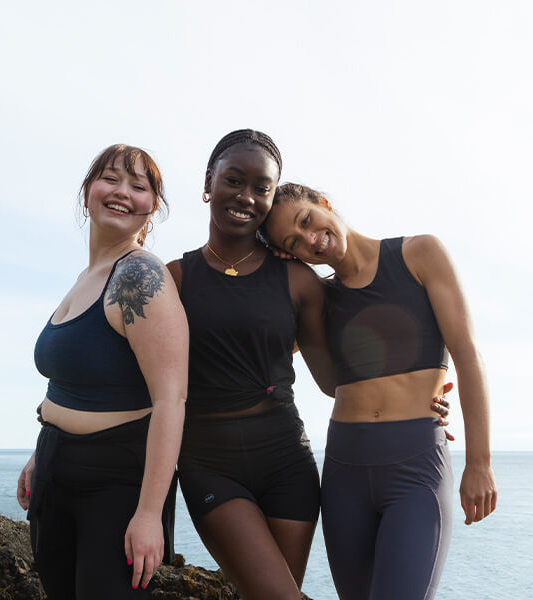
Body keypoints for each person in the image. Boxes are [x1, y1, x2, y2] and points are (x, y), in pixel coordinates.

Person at [167, 130, 452, 600]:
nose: (246, 195)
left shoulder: (299, 281)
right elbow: (144, 368)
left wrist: (423, 394)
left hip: (286, 462)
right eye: (234, 180)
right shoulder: (174, 278)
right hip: (209, 460)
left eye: (261, 187)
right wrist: (61, 417)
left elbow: (333, 378)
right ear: (208, 183)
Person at [260, 182, 497, 599]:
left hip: (415, 469)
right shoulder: (317, 298)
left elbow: (467, 352)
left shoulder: (419, 254)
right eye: (293, 243)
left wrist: (479, 462)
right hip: (343, 473)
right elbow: (263, 344)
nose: (311, 239)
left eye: (306, 220)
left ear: (325, 203)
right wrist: (279, 271)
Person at [16, 144, 188, 599]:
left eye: (139, 186)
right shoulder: (86, 276)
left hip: (114, 485)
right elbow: (72, 381)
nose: (122, 192)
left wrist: (150, 513)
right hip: (56, 468)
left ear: (152, 208)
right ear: (88, 191)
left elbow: (172, 398)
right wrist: (41, 455)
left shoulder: (140, 277)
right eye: (111, 178)